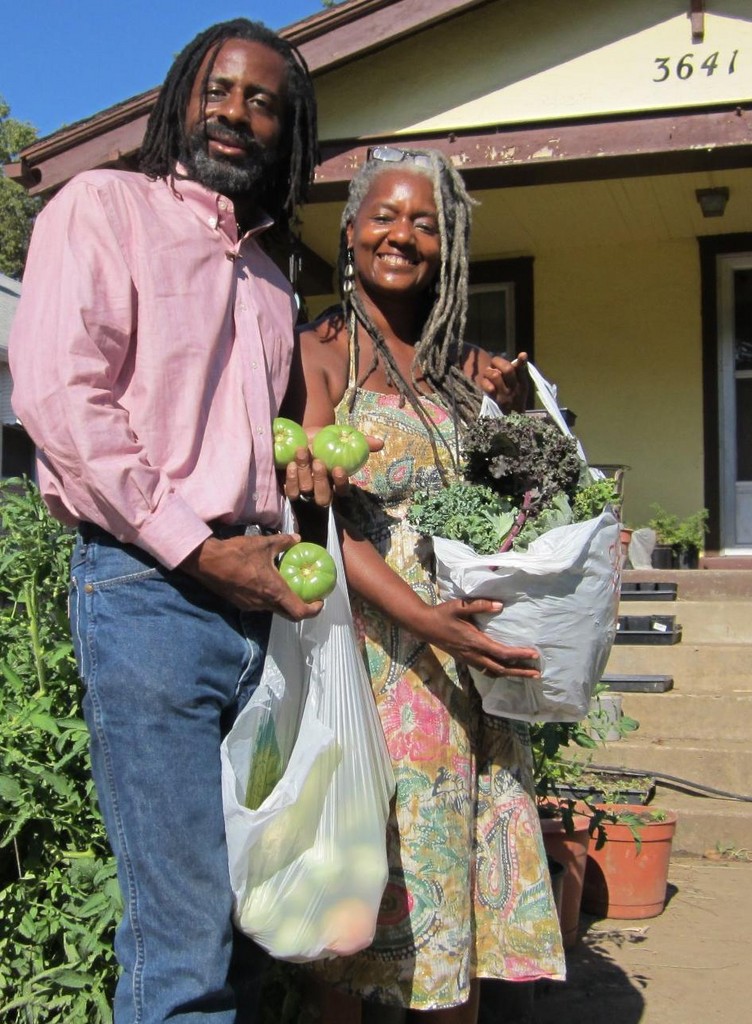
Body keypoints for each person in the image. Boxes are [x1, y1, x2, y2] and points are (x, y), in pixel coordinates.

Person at [8, 18, 335, 1024]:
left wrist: (296, 475)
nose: (236, 114)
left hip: (259, 603)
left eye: (263, 102)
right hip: (146, 592)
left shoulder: (271, 280)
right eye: (218, 89)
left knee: (249, 913)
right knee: (182, 934)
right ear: (180, 97)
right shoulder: (102, 208)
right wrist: (198, 548)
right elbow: (64, 400)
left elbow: (246, 442)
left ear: (285, 131)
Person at [284, 147, 566, 1023]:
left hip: (461, 667)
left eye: (426, 224)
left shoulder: (464, 368)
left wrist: (519, 418)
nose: (402, 236)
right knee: (352, 925)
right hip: (367, 657)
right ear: (350, 230)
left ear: (449, 248)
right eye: (385, 216)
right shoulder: (317, 356)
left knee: (453, 924)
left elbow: (525, 498)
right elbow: (325, 520)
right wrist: (426, 621)